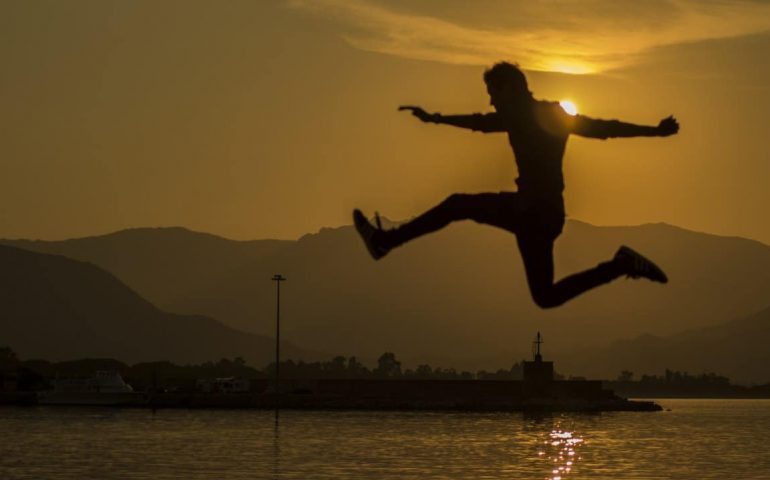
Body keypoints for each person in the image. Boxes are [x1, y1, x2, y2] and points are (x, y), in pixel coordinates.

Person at [353, 62, 678, 309]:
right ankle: (621, 264)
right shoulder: (518, 117)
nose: (492, 102)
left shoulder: (547, 115)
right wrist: (434, 118)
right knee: (545, 297)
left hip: (535, 212)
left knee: (457, 204)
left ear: (509, 90)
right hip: (538, 217)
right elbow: (480, 122)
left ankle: (386, 241)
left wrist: (655, 131)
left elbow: (602, 128)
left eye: (494, 94)